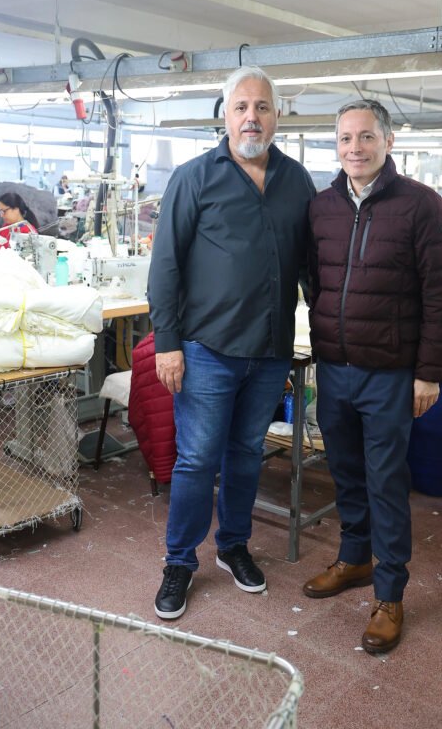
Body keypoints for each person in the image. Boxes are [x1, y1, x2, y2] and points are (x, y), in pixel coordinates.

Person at [147, 65, 316, 620]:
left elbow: (311, 266)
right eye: (242, 107)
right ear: (225, 115)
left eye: (262, 107)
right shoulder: (195, 177)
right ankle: (179, 561)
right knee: (196, 460)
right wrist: (168, 343)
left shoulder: (296, 181)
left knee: (246, 454)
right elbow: (166, 265)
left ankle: (234, 545)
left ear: (276, 115)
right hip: (206, 350)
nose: (252, 117)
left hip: (269, 352)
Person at [304, 99, 442, 654]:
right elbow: (314, 281)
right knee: (344, 472)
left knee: (386, 483)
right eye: (345, 139)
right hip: (336, 369)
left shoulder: (420, 204)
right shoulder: (321, 206)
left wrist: (428, 373)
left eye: (366, 137)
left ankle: (390, 594)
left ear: (388, 141)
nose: (355, 149)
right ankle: (354, 558)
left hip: (391, 375)